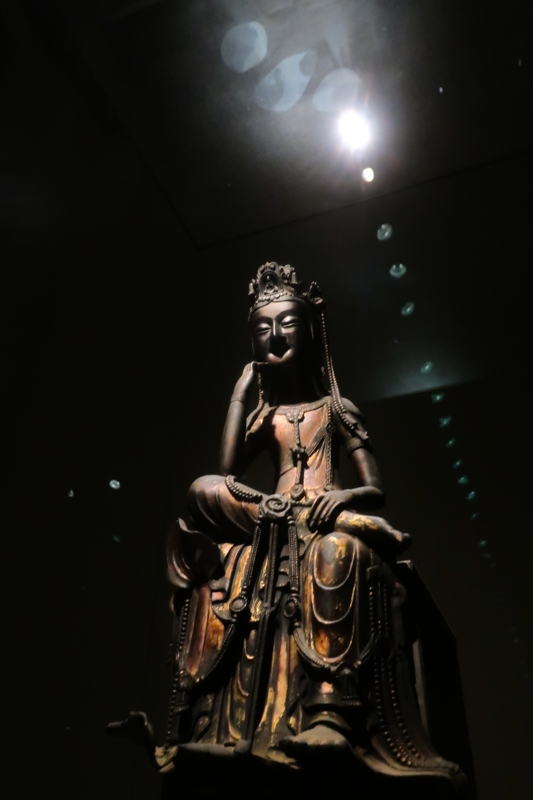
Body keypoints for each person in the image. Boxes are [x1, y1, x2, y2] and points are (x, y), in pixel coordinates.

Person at [110, 263, 466, 795]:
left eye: (287, 323)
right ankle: (212, 725)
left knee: (336, 551)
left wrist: (341, 498)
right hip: (273, 514)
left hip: (322, 515)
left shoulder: (336, 409)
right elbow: (227, 470)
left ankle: (330, 712)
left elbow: (374, 486)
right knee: (202, 490)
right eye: (262, 328)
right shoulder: (268, 415)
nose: (274, 336)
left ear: (311, 333)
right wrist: (240, 395)